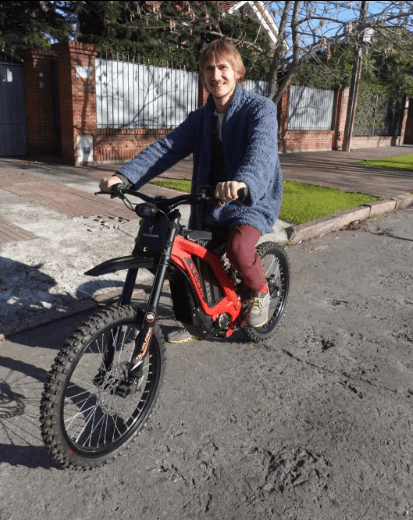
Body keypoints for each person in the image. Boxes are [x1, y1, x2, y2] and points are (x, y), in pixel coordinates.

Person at [99, 39, 283, 343]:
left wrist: (243, 182)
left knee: (239, 249)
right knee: (192, 262)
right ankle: (201, 318)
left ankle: (260, 291)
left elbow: (261, 154)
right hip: (209, 201)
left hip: (251, 199)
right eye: (209, 69)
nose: (216, 75)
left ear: (238, 72)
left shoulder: (259, 108)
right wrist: (124, 176)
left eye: (223, 67)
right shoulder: (200, 119)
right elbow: (166, 148)